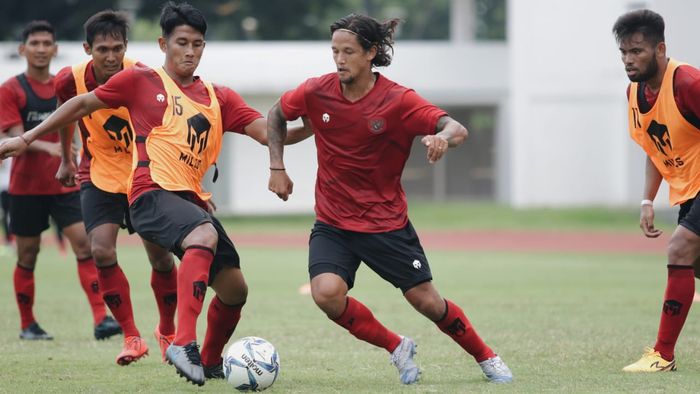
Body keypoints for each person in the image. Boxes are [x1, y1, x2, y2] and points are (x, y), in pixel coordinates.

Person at [0, 2, 311, 386]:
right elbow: (81, 103)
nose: (190, 51)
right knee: (194, 236)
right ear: (164, 43)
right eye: (182, 42)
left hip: (188, 200)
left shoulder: (220, 97)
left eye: (198, 44)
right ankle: (179, 341)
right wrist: (27, 137)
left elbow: (269, 132)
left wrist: (313, 126)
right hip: (147, 193)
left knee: (234, 290)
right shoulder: (139, 81)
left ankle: (209, 363)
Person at [267, 13, 513, 385]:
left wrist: (442, 138)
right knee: (326, 293)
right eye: (334, 51)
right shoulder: (316, 91)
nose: (339, 59)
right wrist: (277, 167)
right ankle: (396, 346)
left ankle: (486, 356)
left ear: (371, 53)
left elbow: (455, 127)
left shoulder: (398, 100)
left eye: (348, 51)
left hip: (385, 225)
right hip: (333, 223)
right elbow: (276, 115)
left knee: (427, 302)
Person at [53, 10, 178, 366]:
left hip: (144, 173)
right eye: (103, 49)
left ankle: (167, 331)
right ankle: (131, 337)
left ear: (126, 47)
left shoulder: (146, 77)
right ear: (87, 48)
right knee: (101, 251)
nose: (111, 57)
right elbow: (67, 113)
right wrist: (67, 157)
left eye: (117, 49)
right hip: (98, 173)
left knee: (161, 257)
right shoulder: (69, 80)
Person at [0, 20, 120, 341]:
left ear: (55, 49)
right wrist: (51, 146)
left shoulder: (66, 85)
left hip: (65, 185)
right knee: (28, 254)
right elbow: (14, 135)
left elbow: (80, 120)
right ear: (23, 50)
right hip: (25, 188)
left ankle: (101, 320)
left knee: (85, 245)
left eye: (47, 43)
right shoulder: (11, 89)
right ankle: (28, 325)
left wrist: (72, 152)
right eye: (34, 43)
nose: (41, 49)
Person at [614, 9, 700, 372]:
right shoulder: (634, 93)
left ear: (660, 49)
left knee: (679, 248)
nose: (629, 60)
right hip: (690, 191)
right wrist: (648, 199)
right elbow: (654, 148)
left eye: (637, 51)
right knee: (692, 266)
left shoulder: (688, 84)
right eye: (624, 52)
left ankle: (663, 355)